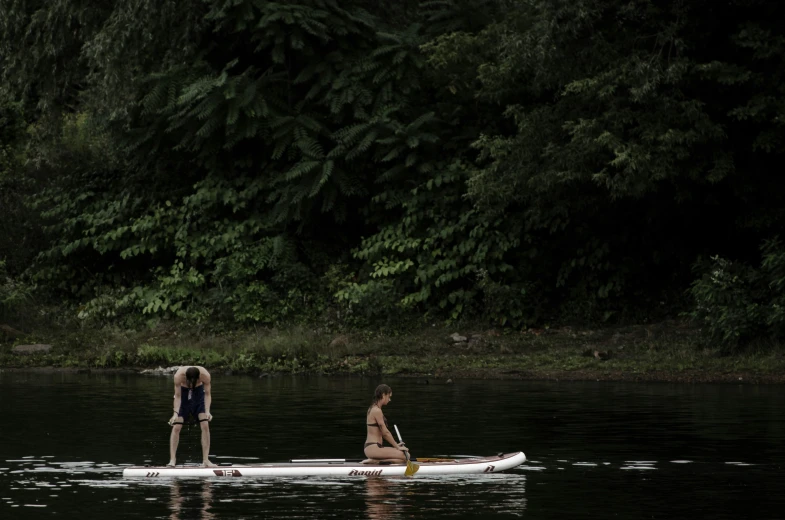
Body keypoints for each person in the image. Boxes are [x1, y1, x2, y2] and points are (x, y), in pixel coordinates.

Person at [167, 366, 215, 467]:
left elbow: (207, 394)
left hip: (198, 394)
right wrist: (175, 414)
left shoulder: (205, 376)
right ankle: (172, 460)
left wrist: (207, 411)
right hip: (183, 395)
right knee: (176, 426)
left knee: (205, 425)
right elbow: (178, 396)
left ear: (199, 378)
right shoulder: (178, 376)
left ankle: (206, 460)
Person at [363, 384, 409, 463]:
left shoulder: (373, 408)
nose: (389, 399)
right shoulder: (376, 410)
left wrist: (396, 445)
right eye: (389, 397)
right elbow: (385, 433)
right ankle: (376, 461)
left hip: (374, 447)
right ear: (383, 395)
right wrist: (397, 447)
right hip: (373, 448)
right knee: (406, 455)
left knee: (402, 459)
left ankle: (377, 460)